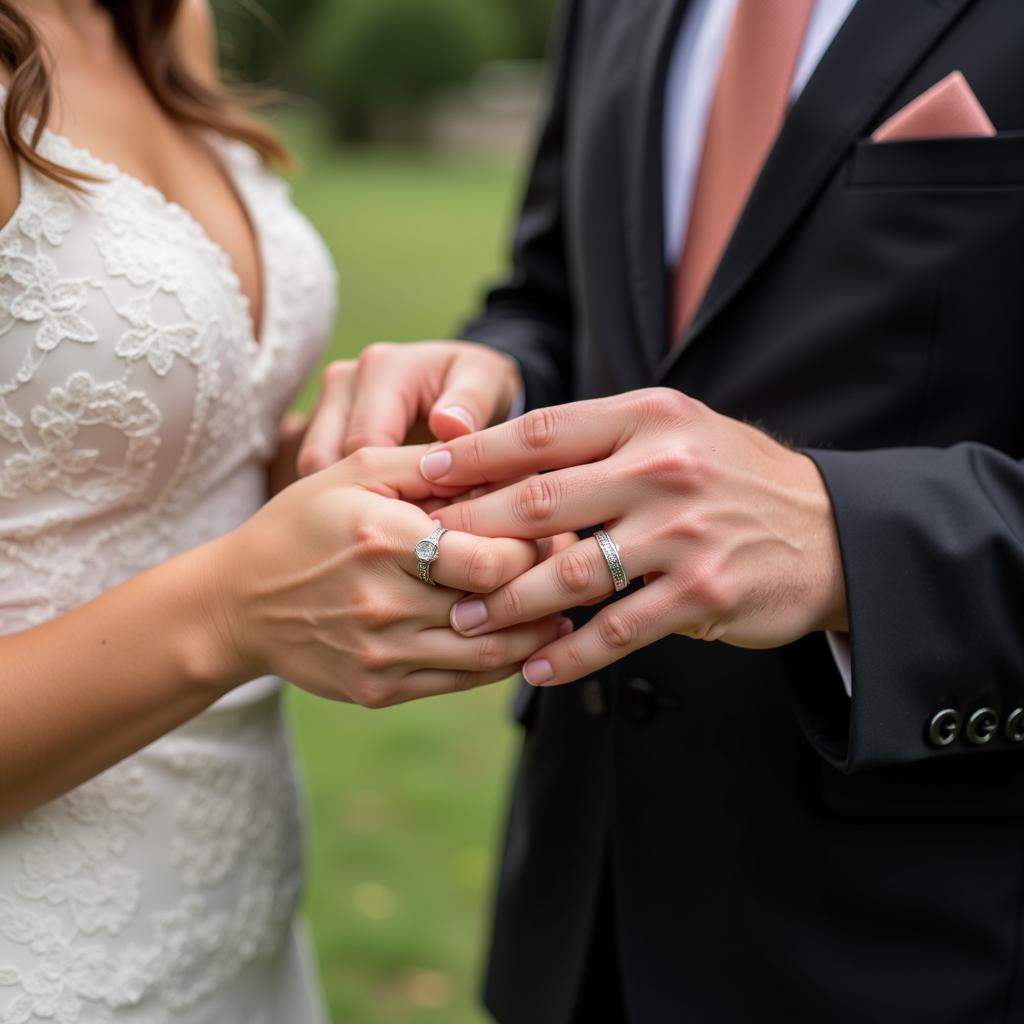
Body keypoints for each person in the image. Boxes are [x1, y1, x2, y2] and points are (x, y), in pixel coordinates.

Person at [299, 0, 1024, 1020]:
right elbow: (552, 294)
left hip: (928, 939)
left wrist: (844, 538)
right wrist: (494, 380)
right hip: (578, 907)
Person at [0, 1, 566, 1019]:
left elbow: (146, 470)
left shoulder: (157, 19)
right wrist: (232, 611)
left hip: (237, 920)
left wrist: (360, 468)